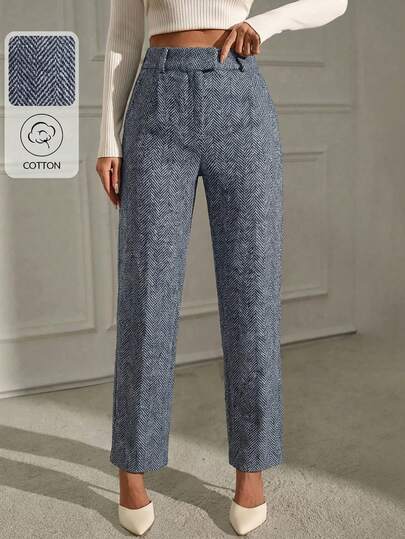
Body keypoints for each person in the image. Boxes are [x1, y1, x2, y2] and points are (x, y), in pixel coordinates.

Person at [96, 0, 348, 535]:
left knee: (252, 297)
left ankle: (251, 468)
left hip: (239, 98)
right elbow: (122, 38)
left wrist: (263, 24)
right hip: (156, 104)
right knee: (146, 297)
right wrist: (108, 139)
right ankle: (132, 468)